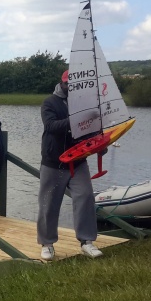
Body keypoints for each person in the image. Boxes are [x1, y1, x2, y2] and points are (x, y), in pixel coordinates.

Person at [37, 73, 104, 260]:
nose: (71, 87)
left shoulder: (83, 104)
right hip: (53, 161)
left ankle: (87, 242)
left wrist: (100, 145)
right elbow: (50, 126)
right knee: (48, 204)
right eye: (68, 84)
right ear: (62, 83)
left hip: (79, 161)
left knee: (85, 197)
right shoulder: (49, 102)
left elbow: (92, 130)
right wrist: (78, 121)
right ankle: (47, 244)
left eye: (75, 85)